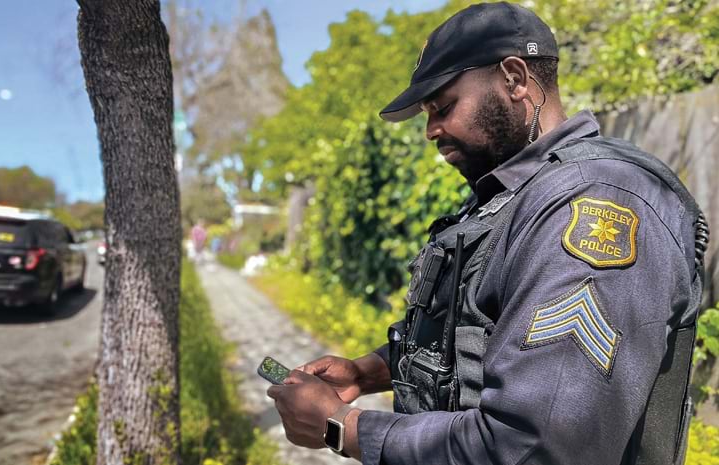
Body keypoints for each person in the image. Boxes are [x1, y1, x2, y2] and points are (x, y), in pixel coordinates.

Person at [266, 3, 709, 465]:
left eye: (443, 107)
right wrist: (370, 371)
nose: (430, 130)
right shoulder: (508, 198)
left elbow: (537, 446)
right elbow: (479, 337)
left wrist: (344, 427)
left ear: (515, 78)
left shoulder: (597, 204)